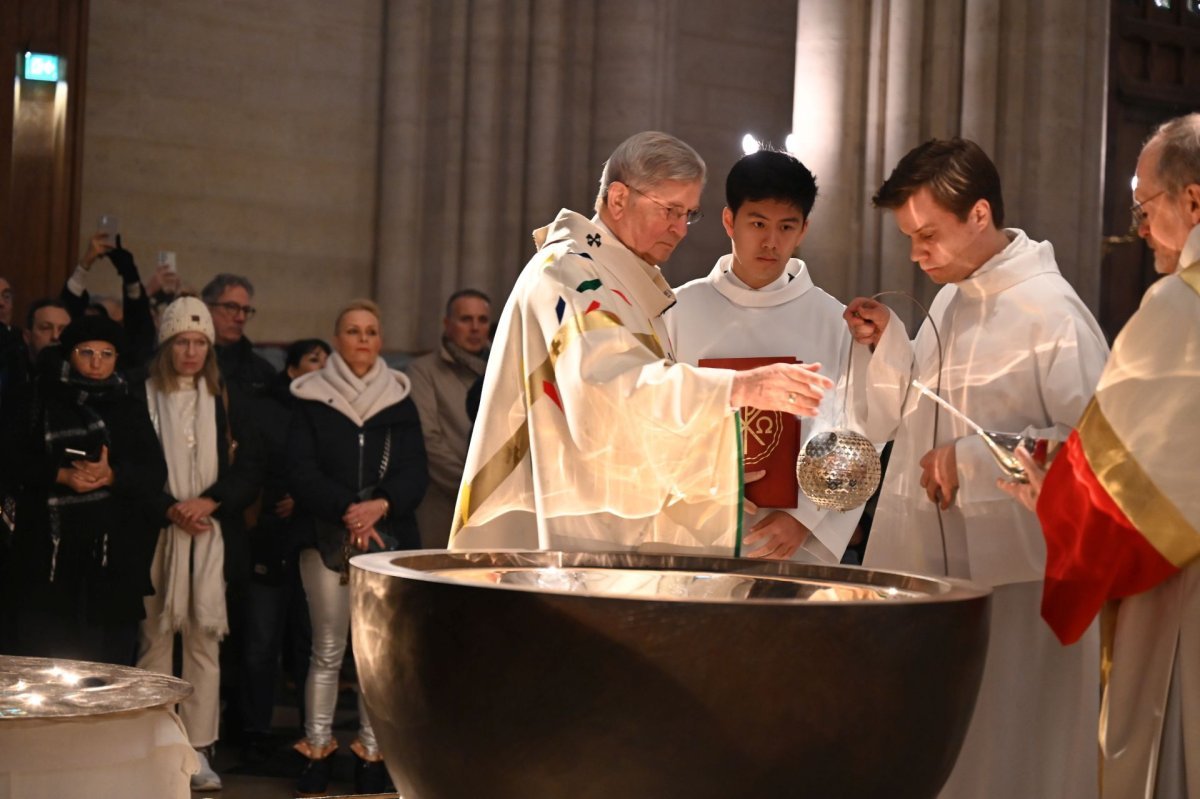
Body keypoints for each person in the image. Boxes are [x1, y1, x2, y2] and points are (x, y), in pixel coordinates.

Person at [842, 138, 1110, 798]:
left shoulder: (1054, 315)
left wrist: (970, 460)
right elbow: (927, 410)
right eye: (909, 236)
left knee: (1014, 756)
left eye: (928, 234)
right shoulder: (953, 299)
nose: (915, 254)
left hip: (1021, 592)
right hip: (946, 581)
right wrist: (891, 345)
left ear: (981, 214)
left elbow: (1095, 450)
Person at [449, 130, 832, 553]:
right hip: (563, 535)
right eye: (670, 210)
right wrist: (740, 387)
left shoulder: (617, 281)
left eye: (689, 214)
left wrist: (708, 472)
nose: (681, 229)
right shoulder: (570, 276)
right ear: (617, 198)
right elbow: (608, 394)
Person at [999, 113, 1200, 797]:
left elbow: (1131, 501)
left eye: (1146, 207)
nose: (1140, 229)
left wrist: (1052, 499)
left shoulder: (1180, 306)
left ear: (1193, 202)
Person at [667, 148, 863, 563]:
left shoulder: (834, 321)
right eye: (757, 223)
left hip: (793, 543)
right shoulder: (675, 312)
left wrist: (807, 519)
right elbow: (651, 415)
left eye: (786, 226)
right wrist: (699, 481)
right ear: (728, 221)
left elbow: (858, 430)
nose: (771, 242)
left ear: (804, 230)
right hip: (694, 527)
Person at [287, 299, 427, 796]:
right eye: (353, 331)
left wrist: (379, 507)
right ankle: (318, 750)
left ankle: (372, 753)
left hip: (386, 538)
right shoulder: (309, 397)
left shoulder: (400, 400)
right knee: (327, 650)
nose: (363, 339)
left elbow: (415, 472)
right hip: (326, 536)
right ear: (337, 340)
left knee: (376, 656)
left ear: (380, 340)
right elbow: (299, 469)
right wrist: (349, 509)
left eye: (371, 331)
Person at [136, 297, 264, 793]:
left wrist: (209, 502)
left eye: (198, 343)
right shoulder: (143, 395)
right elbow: (133, 465)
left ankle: (199, 748)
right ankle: (149, 742)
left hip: (210, 534)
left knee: (203, 644)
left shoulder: (227, 398)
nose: (190, 352)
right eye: (181, 342)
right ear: (166, 345)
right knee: (154, 639)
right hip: (159, 533)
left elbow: (250, 467)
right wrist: (171, 507)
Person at [0, 315, 165, 664]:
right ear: (69, 354)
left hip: (111, 560)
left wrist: (111, 475)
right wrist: (61, 475)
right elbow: (9, 458)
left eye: (106, 354)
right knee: (42, 660)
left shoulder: (129, 406)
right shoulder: (37, 397)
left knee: (104, 666)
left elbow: (153, 472)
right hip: (46, 557)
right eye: (86, 352)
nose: (96, 362)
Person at [239, 338, 329, 762]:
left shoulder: (329, 408)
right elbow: (256, 465)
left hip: (311, 534)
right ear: (292, 366)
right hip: (269, 534)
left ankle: (311, 732)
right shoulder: (267, 407)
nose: (323, 368)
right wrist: (286, 495)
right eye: (314, 361)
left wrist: (306, 497)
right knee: (260, 639)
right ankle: (254, 726)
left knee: (309, 640)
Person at [407, 288, 491, 548]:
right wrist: (473, 490)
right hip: (444, 501)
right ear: (447, 324)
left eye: (482, 320)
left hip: (496, 502)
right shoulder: (423, 370)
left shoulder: (504, 365)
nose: (475, 328)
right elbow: (428, 440)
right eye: (466, 319)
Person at [202, 273, 276, 396]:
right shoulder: (189, 360)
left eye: (246, 310)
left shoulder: (263, 372)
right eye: (231, 307)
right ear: (207, 308)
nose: (241, 318)